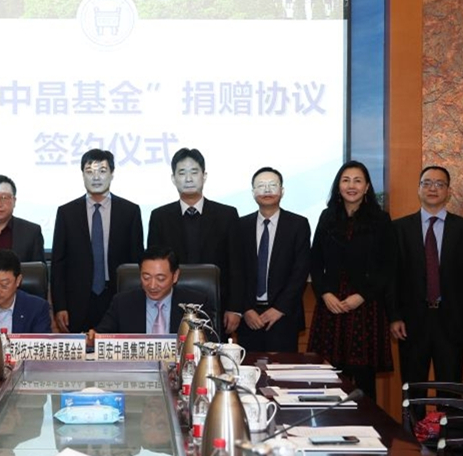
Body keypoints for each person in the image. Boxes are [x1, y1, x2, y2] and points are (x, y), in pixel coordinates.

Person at [390, 166, 463, 385]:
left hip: (453, 320)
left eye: (439, 184)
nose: (433, 188)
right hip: (411, 322)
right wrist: (394, 316)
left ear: (448, 191)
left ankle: (447, 413)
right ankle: (414, 412)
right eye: (427, 183)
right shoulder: (399, 228)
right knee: (413, 388)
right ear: (419, 189)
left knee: (450, 387)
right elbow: (393, 278)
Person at [307, 160, 394, 400]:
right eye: (346, 180)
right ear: (338, 186)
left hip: (365, 307)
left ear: (367, 187)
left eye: (358, 181)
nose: (351, 186)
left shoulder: (381, 220)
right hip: (331, 305)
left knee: (364, 381)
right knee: (329, 377)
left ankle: (367, 423)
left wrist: (362, 296)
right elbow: (315, 260)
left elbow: (387, 265)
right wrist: (325, 293)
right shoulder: (327, 217)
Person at [147, 148, 238, 335]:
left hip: (216, 306)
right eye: (182, 173)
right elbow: (154, 265)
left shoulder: (227, 215)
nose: (188, 178)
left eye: (194, 172)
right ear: (173, 179)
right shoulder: (160, 217)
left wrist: (234, 308)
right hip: (171, 304)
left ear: (204, 176)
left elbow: (236, 265)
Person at [51, 149, 143, 333]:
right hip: (77, 301)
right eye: (89, 171)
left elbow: (136, 262)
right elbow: (58, 264)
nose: (96, 177)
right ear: (82, 175)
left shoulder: (129, 211)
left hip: (118, 296)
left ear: (112, 174)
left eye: (102, 171)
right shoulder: (66, 213)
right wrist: (60, 306)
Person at [227, 167, 311, 352]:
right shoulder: (240, 225)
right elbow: (235, 270)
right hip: (249, 317)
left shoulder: (298, 224)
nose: (267, 190)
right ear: (253, 192)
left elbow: (300, 271)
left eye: (272, 185)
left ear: (282, 190)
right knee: (248, 366)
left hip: (284, 315)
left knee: (283, 367)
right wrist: (246, 309)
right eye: (261, 186)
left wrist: (279, 309)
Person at [90, 246, 213, 336]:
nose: (152, 285)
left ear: (175, 276)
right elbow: (100, 336)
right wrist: (92, 337)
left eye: (160, 278)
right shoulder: (122, 303)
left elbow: (209, 343)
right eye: (146, 277)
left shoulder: (196, 304)